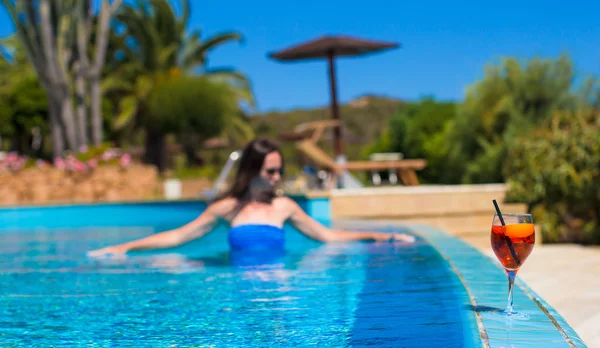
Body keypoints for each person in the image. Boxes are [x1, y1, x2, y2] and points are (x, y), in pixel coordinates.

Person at [88, 138, 415, 257]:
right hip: (239, 292)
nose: (276, 178)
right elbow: (178, 236)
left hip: (281, 292)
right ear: (252, 170)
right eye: (270, 172)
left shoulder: (284, 207)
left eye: (279, 171)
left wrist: (380, 236)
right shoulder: (228, 208)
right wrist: (125, 247)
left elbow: (328, 236)